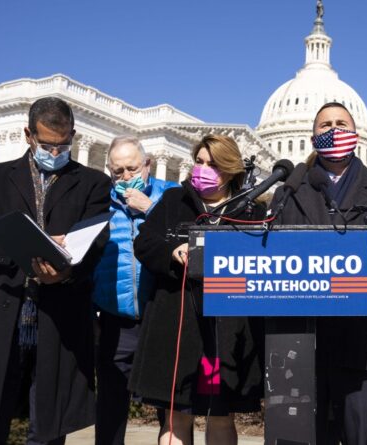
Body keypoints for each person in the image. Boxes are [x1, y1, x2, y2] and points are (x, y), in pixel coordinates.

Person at [0, 97, 111, 444]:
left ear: (73, 135)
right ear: (28, 135)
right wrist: (21, 253)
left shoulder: (93, 182)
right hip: (2, 305)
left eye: (63, 144)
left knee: (49, 419)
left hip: (61, 312)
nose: (55, 152)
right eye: (47, 144)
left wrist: (66, 272)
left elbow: (97, 241)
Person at [271, 102, 367, 445]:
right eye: (325, 125)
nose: (334, 130)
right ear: (312, 137)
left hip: (363, 341)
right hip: (299, 344)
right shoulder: (288, 193)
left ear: (356, 135)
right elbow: (269, 251)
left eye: (341, 124)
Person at [129, 134, 264, 445]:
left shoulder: (251, 210)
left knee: (220, 416)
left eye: (212, 164)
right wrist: (172, 251)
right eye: (199, 162)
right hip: (176, 324)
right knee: (176, 416)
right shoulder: (174, 200)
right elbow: (144, 242)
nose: (202, 169)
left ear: (230, 169)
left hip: (225, 330)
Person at [92, 135, 178, 445]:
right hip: (116, 321)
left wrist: (149, 208)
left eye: (132, 168)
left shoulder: (172, 194)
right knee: (110, 406)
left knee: (170, 409)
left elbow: (188, 235)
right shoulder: (99, 201)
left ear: (148, 165)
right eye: (118, 171)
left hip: (161, 318)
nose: (126, 177)